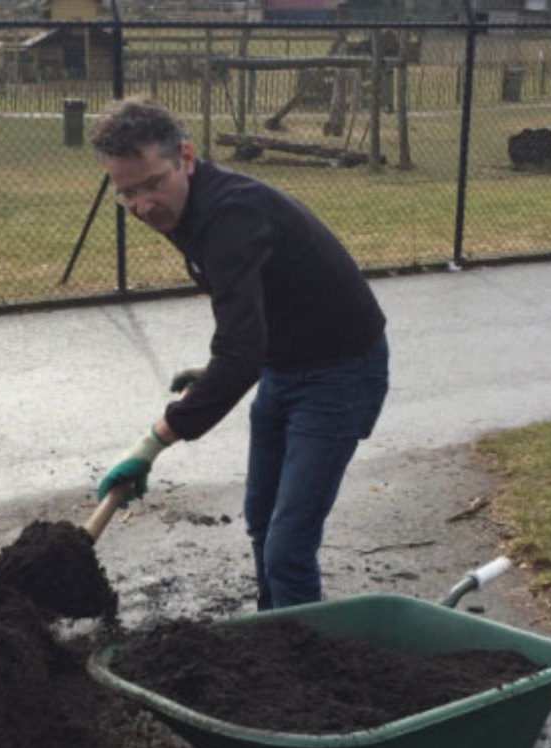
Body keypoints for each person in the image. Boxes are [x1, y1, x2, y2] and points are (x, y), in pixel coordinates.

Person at [90, 97, 389, 612]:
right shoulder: (188, 206)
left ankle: (305, 667)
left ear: (185, 156)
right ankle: (276, 637)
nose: (142, 206)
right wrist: (217, 373)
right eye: (127, 194)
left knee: (287, 547)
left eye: (152, 184)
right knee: (261, 521)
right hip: (284, 365)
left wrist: (153, 442)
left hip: (340, 374)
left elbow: (240, 354)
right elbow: (257, 320)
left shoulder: (230, 214)